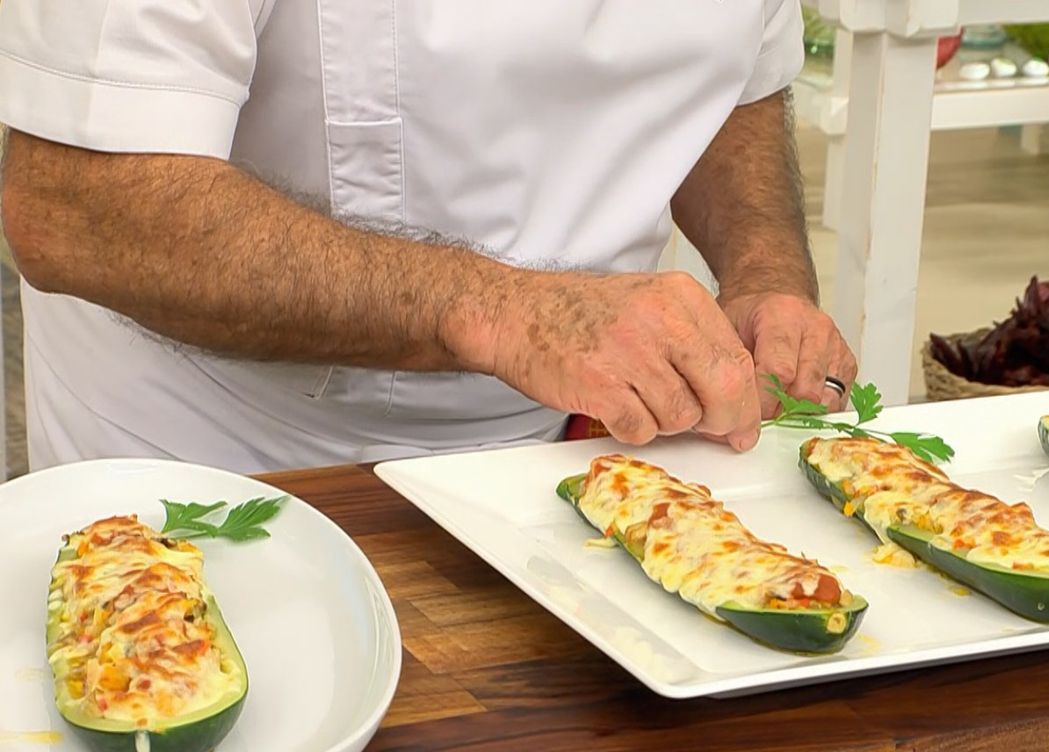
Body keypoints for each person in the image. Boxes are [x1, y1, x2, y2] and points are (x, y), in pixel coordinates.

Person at [0, 1, 857, 473]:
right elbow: (79, 205)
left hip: (571, 445)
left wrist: (763, 272)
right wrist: (507, 314)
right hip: (227, 453)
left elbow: (738, 71)